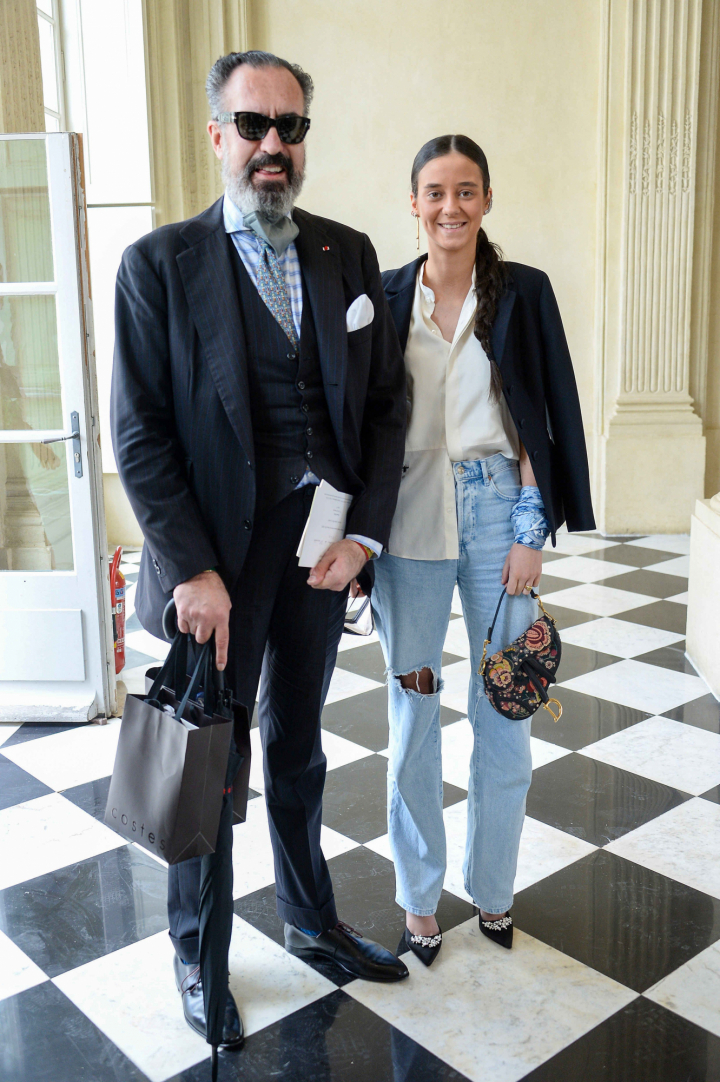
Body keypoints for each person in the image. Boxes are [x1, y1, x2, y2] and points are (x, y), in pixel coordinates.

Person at [111, 50, 409, 1047]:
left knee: (298, 742)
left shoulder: (346, 253)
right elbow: (140, 434)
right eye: (253, 125)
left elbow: (383, 407)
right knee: (209, 759)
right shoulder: (159, 264)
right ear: (218, 136)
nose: (273, 144)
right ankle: (198, 955)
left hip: (319, 551)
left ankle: (310, 918)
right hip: (215, 565)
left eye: (291, 126)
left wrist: (363, 533)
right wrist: (193, 570)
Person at [373, 134, 594, 966]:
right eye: (435, 192)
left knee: (505, 706)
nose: (451, 207)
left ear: (487, 200)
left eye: (466, 191)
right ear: (414, 203)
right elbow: (364, 417)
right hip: (410, 519)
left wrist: (533, 530)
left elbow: (542, 406)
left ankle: (493, 889)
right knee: (414, 709)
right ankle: (418, 900)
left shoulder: (523, 291)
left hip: (500, 506)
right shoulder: (386, 294)